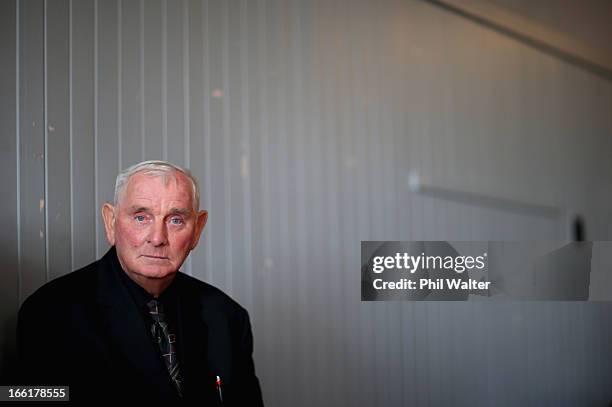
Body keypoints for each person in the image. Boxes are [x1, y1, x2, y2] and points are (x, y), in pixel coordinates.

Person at [17, 160, 264, 404]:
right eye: (141, 217)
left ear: (197, 230)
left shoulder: (226, 317)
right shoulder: (50, 312)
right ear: (110, 222)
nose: (157, 238)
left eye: (175, 220)